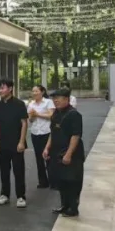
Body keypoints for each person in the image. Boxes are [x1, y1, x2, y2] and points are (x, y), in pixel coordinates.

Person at [42, 88, 85, 217]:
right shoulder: (56, 114)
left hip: (72, 154)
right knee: (61, 180)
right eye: (54, 98)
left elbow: (75, 135)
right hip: (56, 152)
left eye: (58, 98)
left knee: (72, 180)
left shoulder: (74, 114)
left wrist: (69, 154)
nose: (55, 101)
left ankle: (73, 208)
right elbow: (53, 133)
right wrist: (47, 148)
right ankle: (64, 205)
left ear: (67, 99)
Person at [0, 78, 28, 208]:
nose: (0, 91)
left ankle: (21, 196)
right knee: (4, 171)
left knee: (18, 170)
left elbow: (24, 123)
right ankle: (4, 195)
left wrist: (21, 142)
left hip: (16, 143)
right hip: (3, 143)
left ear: (10, 89)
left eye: (2, 88)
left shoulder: (19, 104)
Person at [27, 85, 54, 189]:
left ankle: (53, 180)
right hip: (35, 133)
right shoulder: (31, 104)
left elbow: (51, 116)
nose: (34, 93)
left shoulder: (48, 102)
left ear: (42, 92)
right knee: (39, 158)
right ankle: (43, 181)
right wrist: (32, 115)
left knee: (49, 157)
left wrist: (37, 114)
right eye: (33, 91)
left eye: (36, 91)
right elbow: (30, 120)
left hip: (47, 132)